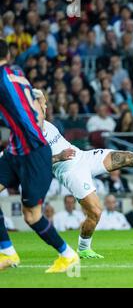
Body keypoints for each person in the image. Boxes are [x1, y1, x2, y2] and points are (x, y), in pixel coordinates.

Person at [1, 89, 133, 259]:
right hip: (70, 170)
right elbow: (35, 164)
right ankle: (83, 248)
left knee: (129, 158)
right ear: (33, 106)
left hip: (83, 157)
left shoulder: (45, 122)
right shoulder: (29, 133)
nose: (47, 107)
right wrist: (58, 156)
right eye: (43, 104)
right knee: (96, 212)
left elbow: (42, 106)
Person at [0, 39, 78, 273]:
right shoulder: (16, 71)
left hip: (33, 153)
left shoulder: (3, 77)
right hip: (16, 150)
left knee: (32, 216)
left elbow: (24, 116)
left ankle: (68, 255)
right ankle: (7, 252)